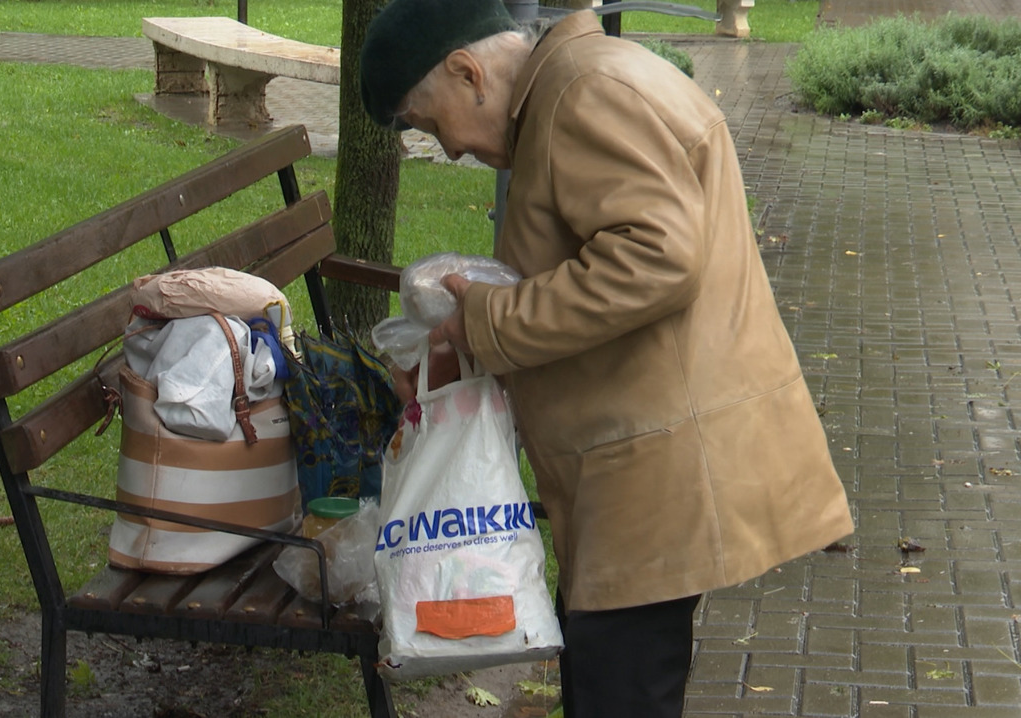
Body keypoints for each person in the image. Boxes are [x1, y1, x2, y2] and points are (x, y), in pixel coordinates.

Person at [360, 1, 855, 716]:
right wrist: (464, 343)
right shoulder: (577, 87)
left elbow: (658, 257)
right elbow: (600, 267)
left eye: (435, 125)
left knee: (617, 694)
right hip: (639, 472)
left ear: (469, 72)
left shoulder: (581, 93)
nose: (455, 150)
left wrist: (491, 321)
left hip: (651, 480)